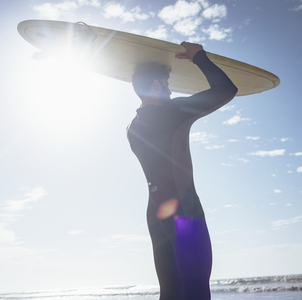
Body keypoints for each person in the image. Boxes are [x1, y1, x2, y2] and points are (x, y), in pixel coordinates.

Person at [127, 42, 238, 300]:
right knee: (197, 290)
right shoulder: (172, 111)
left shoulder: (132, 128)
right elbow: (226, 90)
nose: (170, 89)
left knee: (171, 292)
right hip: (184, 213)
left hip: (156, 217)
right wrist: (199, 57)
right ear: (155, 85)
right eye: (166, 84)